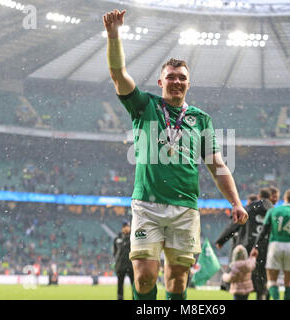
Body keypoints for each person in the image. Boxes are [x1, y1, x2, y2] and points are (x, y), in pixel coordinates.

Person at [103, 9, 248, 300]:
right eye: (171, 77)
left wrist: (235, 201)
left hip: (185, 209)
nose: (177, 81)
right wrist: (114, 35)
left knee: (178, 281)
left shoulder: (201, 119)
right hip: (147, 206)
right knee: (144, 278)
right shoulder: (144, 106)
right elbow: (118, 74)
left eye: (182, 78)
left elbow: (216, 164)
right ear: (161, 82)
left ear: (188, 84)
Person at [251, 189, 290, 300]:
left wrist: (255, 246)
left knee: (271, 280)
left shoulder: (273, 211)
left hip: (275, 245)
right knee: (288, 282)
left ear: (284, 199)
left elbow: (264, 231)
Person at [113, 221, 134, 300]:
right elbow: (115, 252)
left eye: (128, 226)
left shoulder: (133, 238)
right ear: (123, 227)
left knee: (134, 285)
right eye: (125, 226)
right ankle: (120, 298)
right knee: (120, 285)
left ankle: (134, 298)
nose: (127, 228)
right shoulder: (117, 238)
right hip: (120, 265)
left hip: (131, 265)